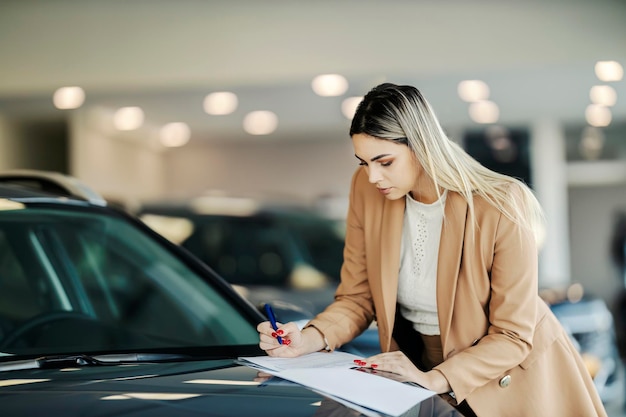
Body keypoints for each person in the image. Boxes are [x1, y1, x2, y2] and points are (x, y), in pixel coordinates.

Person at [257, 83, 607, 416]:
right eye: (364, 163)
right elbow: (357, 297)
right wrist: (310, 338)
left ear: (422, 146)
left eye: (385, 161)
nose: (373, 176)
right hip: (423, 369)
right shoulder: (366, 190)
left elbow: (512, 335)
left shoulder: (500, 203)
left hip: (514, 377)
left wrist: (433, 379)